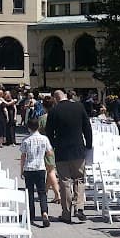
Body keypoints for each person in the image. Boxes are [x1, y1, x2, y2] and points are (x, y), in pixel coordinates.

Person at [47, 89, 92, 224]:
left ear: (55, 99)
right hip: (78, 148)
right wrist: (88, 144)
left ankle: (66, 213)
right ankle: (79, 207)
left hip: (62, 150)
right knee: (79, 179)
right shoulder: (79, 106)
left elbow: (49, 132)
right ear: (66, 96)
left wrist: (54, 145)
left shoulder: (54, 111)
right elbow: (87, 127)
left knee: (65, 181)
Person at [19, 117, 53, 227]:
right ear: (38, 126)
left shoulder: (26, 140)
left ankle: (31, 214)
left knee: (29, 193)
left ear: (28, 128)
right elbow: (49, 153)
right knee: (42, 192)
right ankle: (44, 212)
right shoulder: (44, 139)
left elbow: (23, 156)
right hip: (40, 167)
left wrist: (21, 170)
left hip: (29, 168)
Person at [37, 96, 60, 204]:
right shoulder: (58, 116)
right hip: (56, 145)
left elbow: (38, 133)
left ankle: (57, 194)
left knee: (50, 171)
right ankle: (45, 192)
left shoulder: (42, 118)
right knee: (50, 169)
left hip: (46, 147)